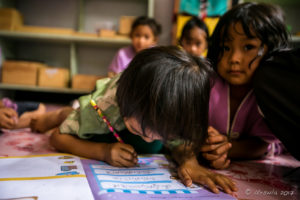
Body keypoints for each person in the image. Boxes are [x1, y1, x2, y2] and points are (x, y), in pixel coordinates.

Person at [32, 46, 237, 194]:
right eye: (141, 131)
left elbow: (181, 143)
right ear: (125, 108)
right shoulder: (104, 106)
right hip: (94, 112)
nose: (149, 141)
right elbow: (58, 138)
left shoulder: (179, 110)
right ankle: (54, 114)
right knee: (68, 117)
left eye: (161, 134)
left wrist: (189, 162)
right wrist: (103, 152)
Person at [202, 2, 288, 169]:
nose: (234, 58)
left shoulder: (272, 93)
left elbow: (261, 143)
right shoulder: (207, 84)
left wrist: (224, 149)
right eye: (226, 47)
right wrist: (207, 142)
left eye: (248, 47)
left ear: (272, 50)